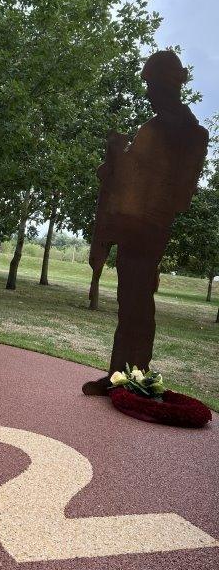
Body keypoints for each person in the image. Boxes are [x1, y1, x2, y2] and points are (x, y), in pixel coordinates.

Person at [83, 51, 209, 395]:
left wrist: (126, 165)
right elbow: (126, 179)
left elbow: (179, 193)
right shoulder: (153, 129)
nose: (148, 92)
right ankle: (120, 376)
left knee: (138, 302)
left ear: (168, 84)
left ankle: (135, 377)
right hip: (132, 225)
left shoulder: (189, 134)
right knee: (130, 302)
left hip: (149, 228)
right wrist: (115, 160)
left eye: (151, 84)